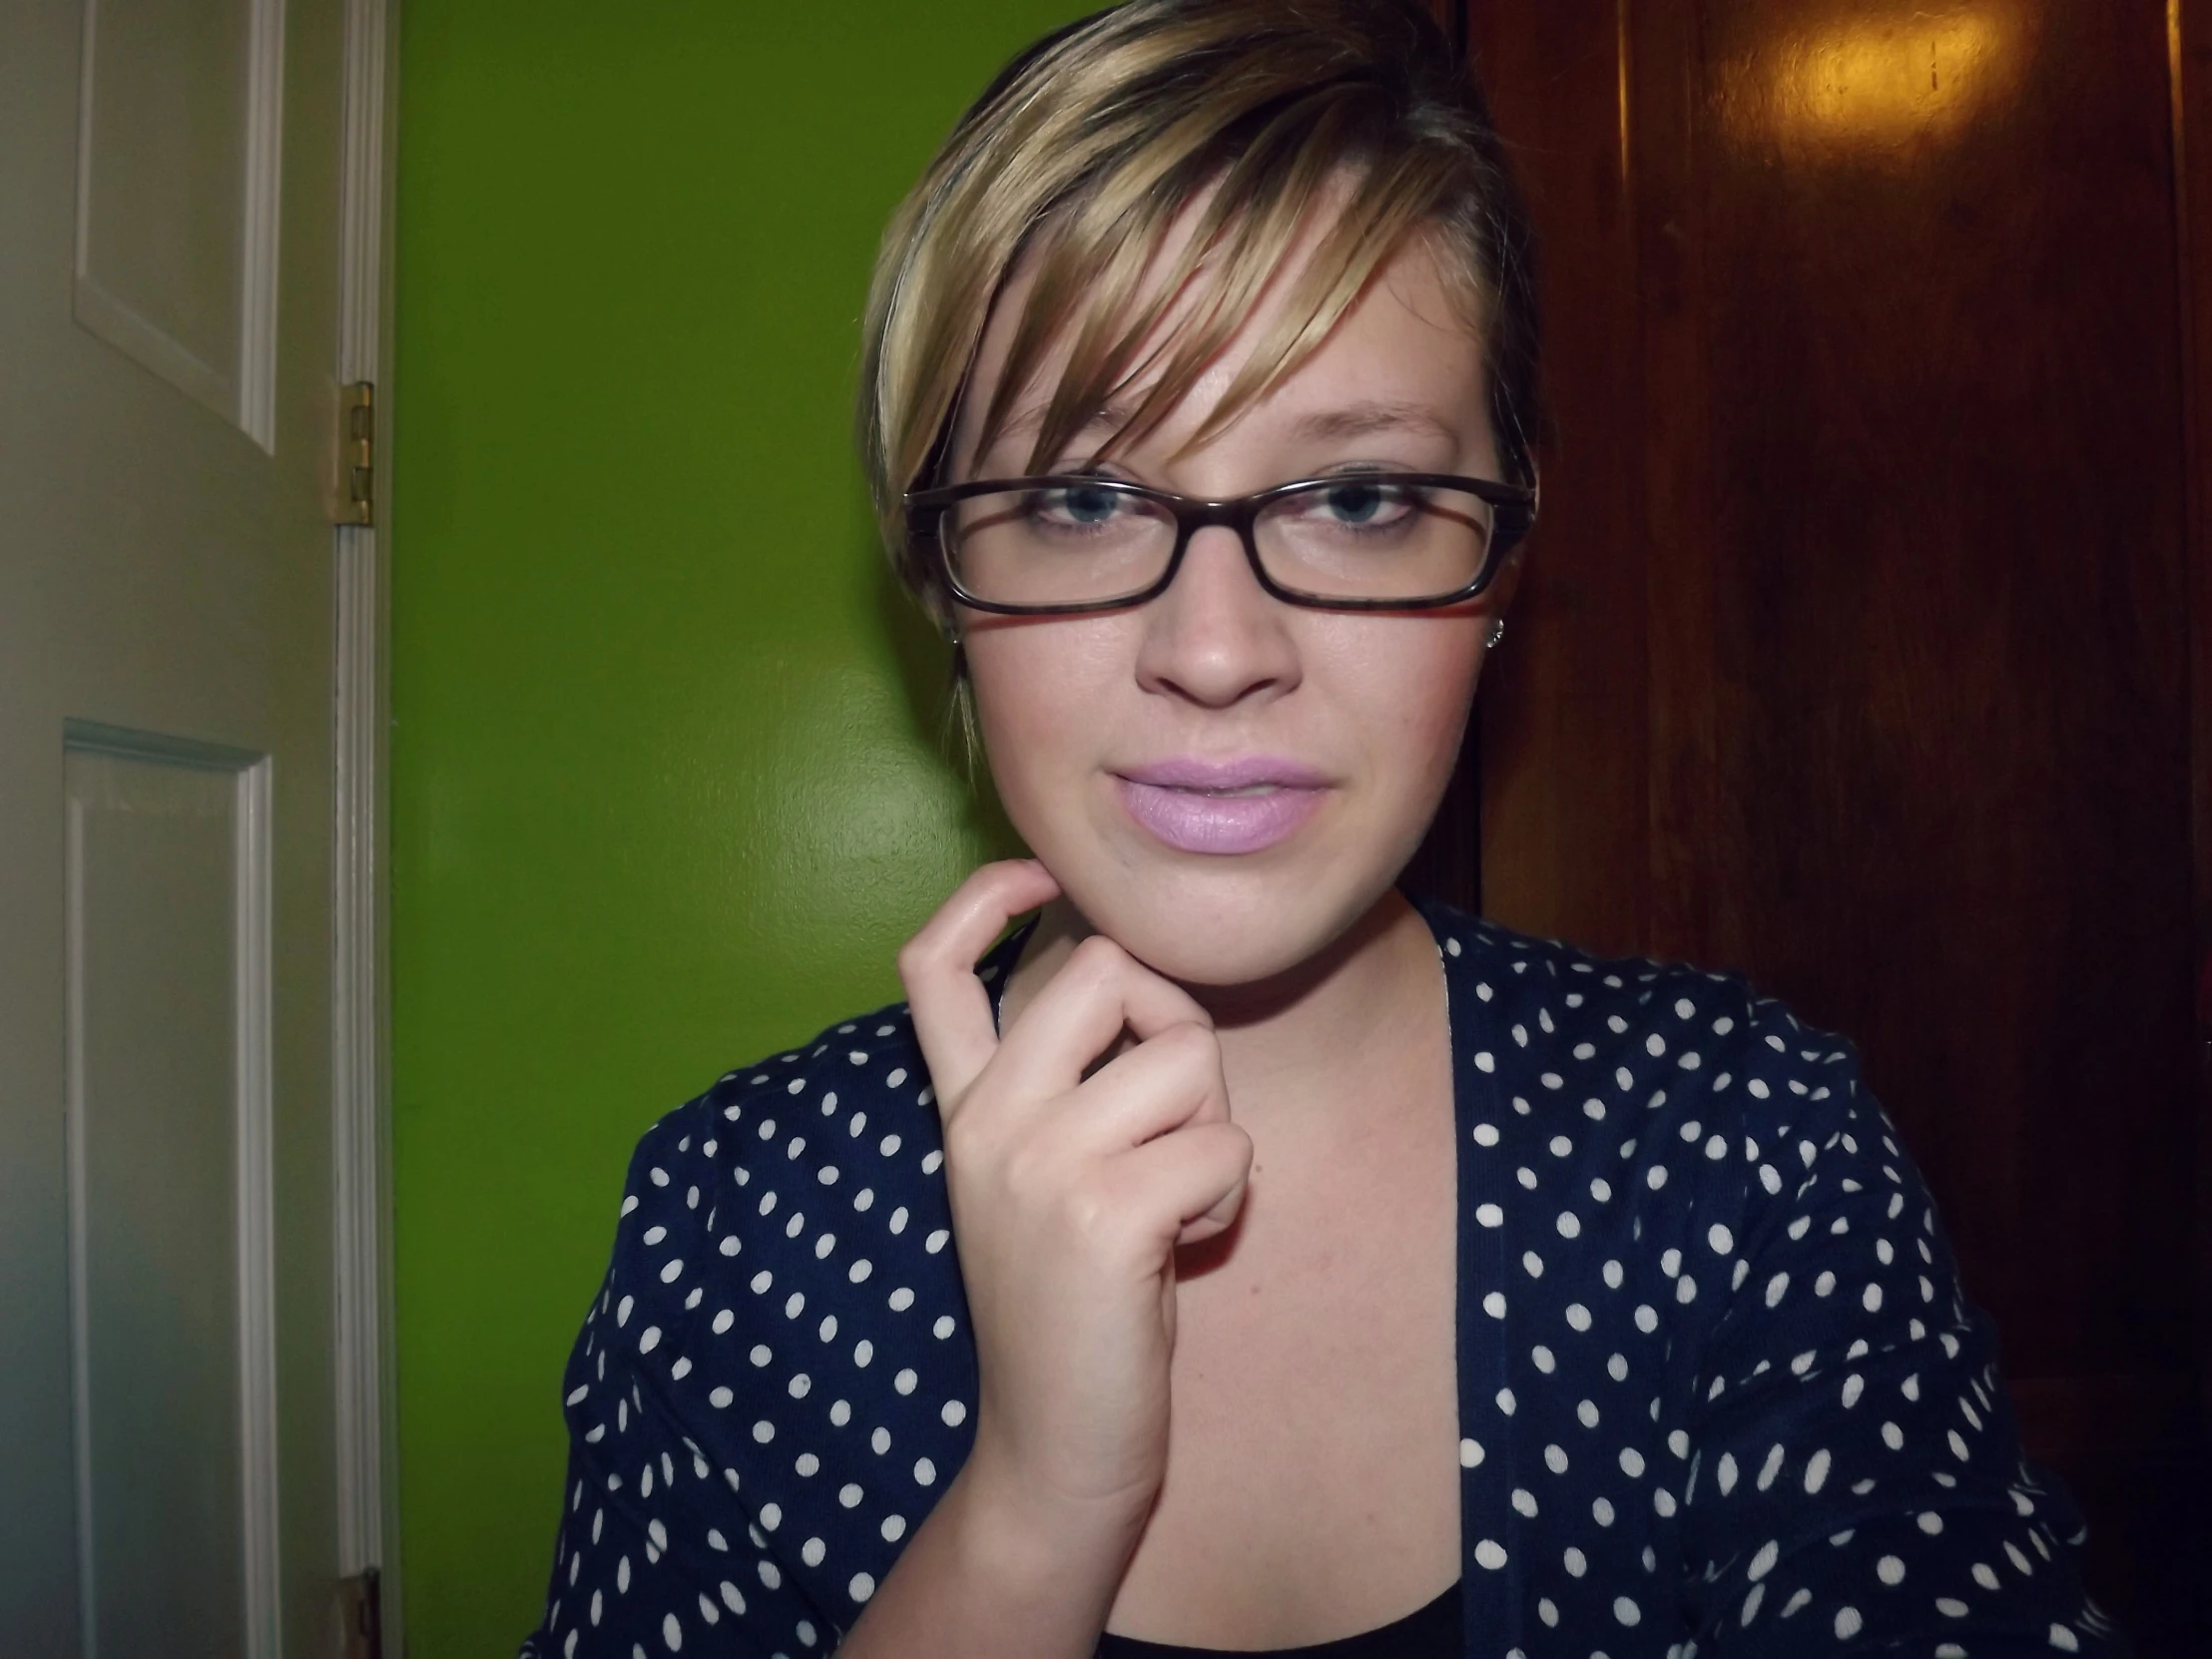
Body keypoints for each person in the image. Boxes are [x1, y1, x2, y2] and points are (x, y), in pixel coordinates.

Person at [519, 2, 2128, 1654]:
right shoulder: (736, 1224)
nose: (1217, 649)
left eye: (1358, 498)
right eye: (1081, 497)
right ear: (940, 570)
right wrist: (1033, 1510)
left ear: (1500, 559)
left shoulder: (1749, 1154)